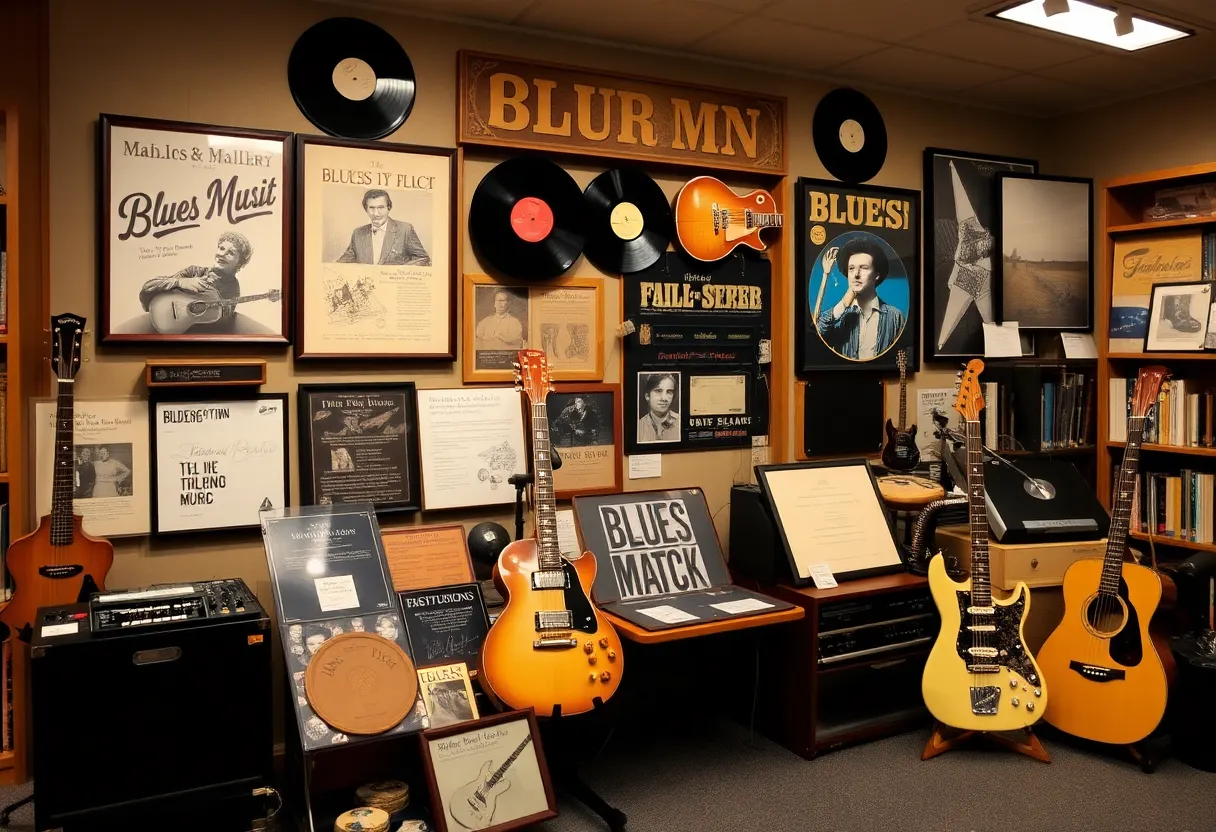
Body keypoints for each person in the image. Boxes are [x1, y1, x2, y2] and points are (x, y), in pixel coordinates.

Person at [130, 231, 274, 335]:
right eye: (221, 248)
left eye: (230, 253)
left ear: (240, 263)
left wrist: (207, 299)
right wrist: (180, 282)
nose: (222, 254)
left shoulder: (232, 289)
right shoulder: (194, 272)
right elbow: (148, 288)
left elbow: (221, 323)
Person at [815, 237, 906, 361]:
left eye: (863, 268)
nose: (856, 274)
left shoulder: (895, 317)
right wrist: (844, 302)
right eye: (851, 268)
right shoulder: (840, 317)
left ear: (876, 275)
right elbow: (817, 332)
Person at [336, 189, 430, 266]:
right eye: (372, 208)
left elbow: (423, 259)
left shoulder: (405, 230)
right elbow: (343, 262)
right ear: (366, 209)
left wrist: (398, 272)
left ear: (389, 207)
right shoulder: (358, 233)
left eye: (380, 207)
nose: (376, 214)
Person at [637, 373, 679, 444]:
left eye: (669, 392)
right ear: (647, 396)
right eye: (658, 391)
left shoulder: (680, 422)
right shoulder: (639, 426)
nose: (664, 398)